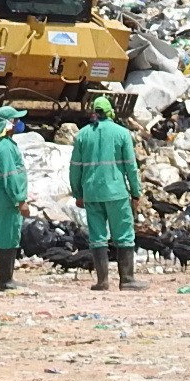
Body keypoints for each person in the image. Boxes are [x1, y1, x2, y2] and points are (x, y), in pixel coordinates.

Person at [69, 96, 143, 290]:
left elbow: (75, 167)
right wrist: (136, 193)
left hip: (92, 193)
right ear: (111, 112)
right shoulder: (122, 133)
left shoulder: (83, 135)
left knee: (97, 237)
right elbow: (131, 167)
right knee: (124, 235)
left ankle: (102, 281)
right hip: (116, 193)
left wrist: (77, 192)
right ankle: (127, 279)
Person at [0, 104, 30, 291]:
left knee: (8, 237)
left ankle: (6, 279)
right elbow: (10, 176)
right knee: (8, 238)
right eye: (16, 120)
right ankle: (5, 280)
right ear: (7, 123)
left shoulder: (1, 144)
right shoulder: (4, 147)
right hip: (8, 199)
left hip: (1, 198)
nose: (19, 123)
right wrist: (21, 200)